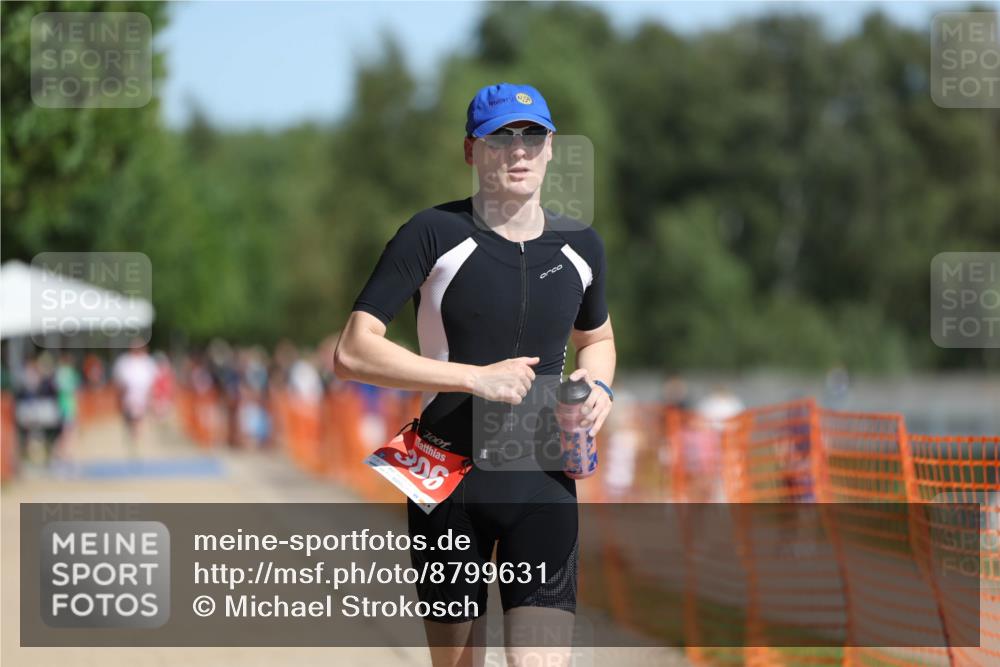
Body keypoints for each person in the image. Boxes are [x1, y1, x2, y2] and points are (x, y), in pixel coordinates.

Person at [334, 82, 616, 667]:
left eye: (531, 136)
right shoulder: (432, 234)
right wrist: (474, 378)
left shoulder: (582, 246)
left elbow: (599, 340)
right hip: (447, 476)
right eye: (500, 139)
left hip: (543, 480)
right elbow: (353, 351)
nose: (518, 151)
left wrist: (599, 387)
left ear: (551, 147)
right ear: (471, 151)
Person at [112, 339, 159, 449]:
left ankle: (137, 439)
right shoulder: (125, 362)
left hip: (142, 397)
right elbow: (119, 382)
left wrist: (152, 398)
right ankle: (134, 437)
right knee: (132, 418)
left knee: (138, 418)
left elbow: (153, 382)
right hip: (129, 397)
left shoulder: (148, 362)